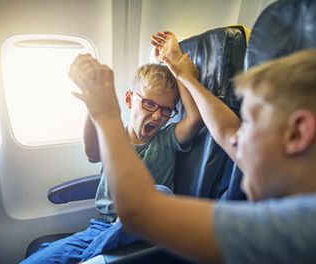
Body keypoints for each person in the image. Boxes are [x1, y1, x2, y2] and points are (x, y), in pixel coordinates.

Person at [69, 46, 316, 263]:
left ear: (297, 134)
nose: (237, 138)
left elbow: (139, 211)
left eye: (249, 121)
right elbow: (226, 131)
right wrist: (184, 75)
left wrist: (103, 112)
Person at [22, 49, 202, 263]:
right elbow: (92, 153)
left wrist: (179, 72)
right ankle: (85, 253)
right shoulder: (114, 136)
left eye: (166, 110)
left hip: (146, 228)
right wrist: (93, 106)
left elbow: (195, 119)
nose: (157, 115)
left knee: (160, 194)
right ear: (129, 100)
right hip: (102, 227)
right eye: (149, 104)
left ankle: (85, 256)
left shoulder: (167, 138)